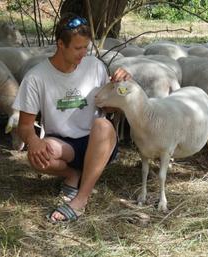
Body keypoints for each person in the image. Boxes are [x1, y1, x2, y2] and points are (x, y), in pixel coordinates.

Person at [12, 14, 131, 223]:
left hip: (97, 141)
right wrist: (33, 141)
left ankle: (80, 199)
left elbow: (111, 108)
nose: (83, 54)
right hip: (63, 145)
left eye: (86, 47)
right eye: (77, 48)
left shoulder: (94, 66)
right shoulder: (36, 77)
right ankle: (71, 175)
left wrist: (120, 88)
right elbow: (25, 126)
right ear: (60, 44)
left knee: (102, 124)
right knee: (36, 156)